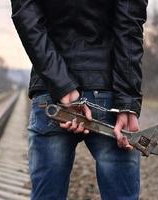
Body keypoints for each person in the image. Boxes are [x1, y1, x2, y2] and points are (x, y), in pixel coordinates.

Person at [10, 0, 148, 199]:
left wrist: (63, 87)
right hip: (110, 94)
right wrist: (127, 101)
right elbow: (129, 26)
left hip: (52, 94)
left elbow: (27, 18)